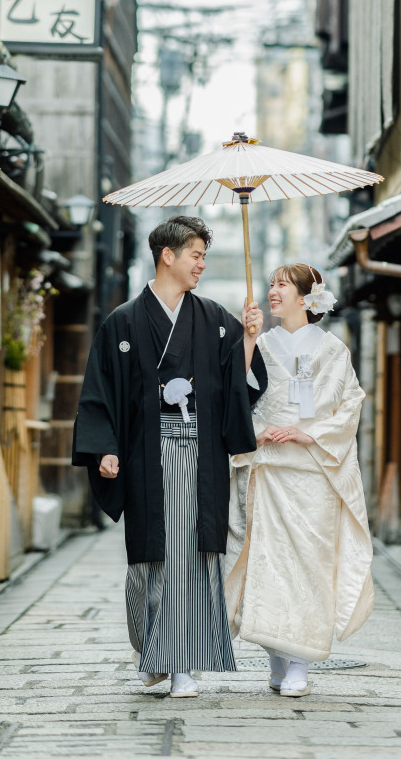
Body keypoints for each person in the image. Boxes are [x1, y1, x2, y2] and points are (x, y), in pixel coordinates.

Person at [73, 215, 267, 698]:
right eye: (195, 255)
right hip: (146, 458)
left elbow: (235, 387)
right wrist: (105, 448)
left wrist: (247, 338)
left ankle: (182, 666)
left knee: (193, 558)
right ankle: (152, 653)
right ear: (168, 255)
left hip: (200, 458)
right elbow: (100, 392)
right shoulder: (123, 321)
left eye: (203, 256)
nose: (201, 264)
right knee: (150, 561)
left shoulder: (217, 320)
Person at [225, 262, 374, 698]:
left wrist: (311, 433)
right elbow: (235, 393)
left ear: (308, 299)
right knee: (266, 566)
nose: (273, 291)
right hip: (267, 467)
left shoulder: (332, 350)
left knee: (309, 563)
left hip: (312, 471)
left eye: (283, 285)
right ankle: (276, 657)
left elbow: (350, 404)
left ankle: (301, 664)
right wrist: (256, 430)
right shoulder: (261, 342)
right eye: (271, 284)